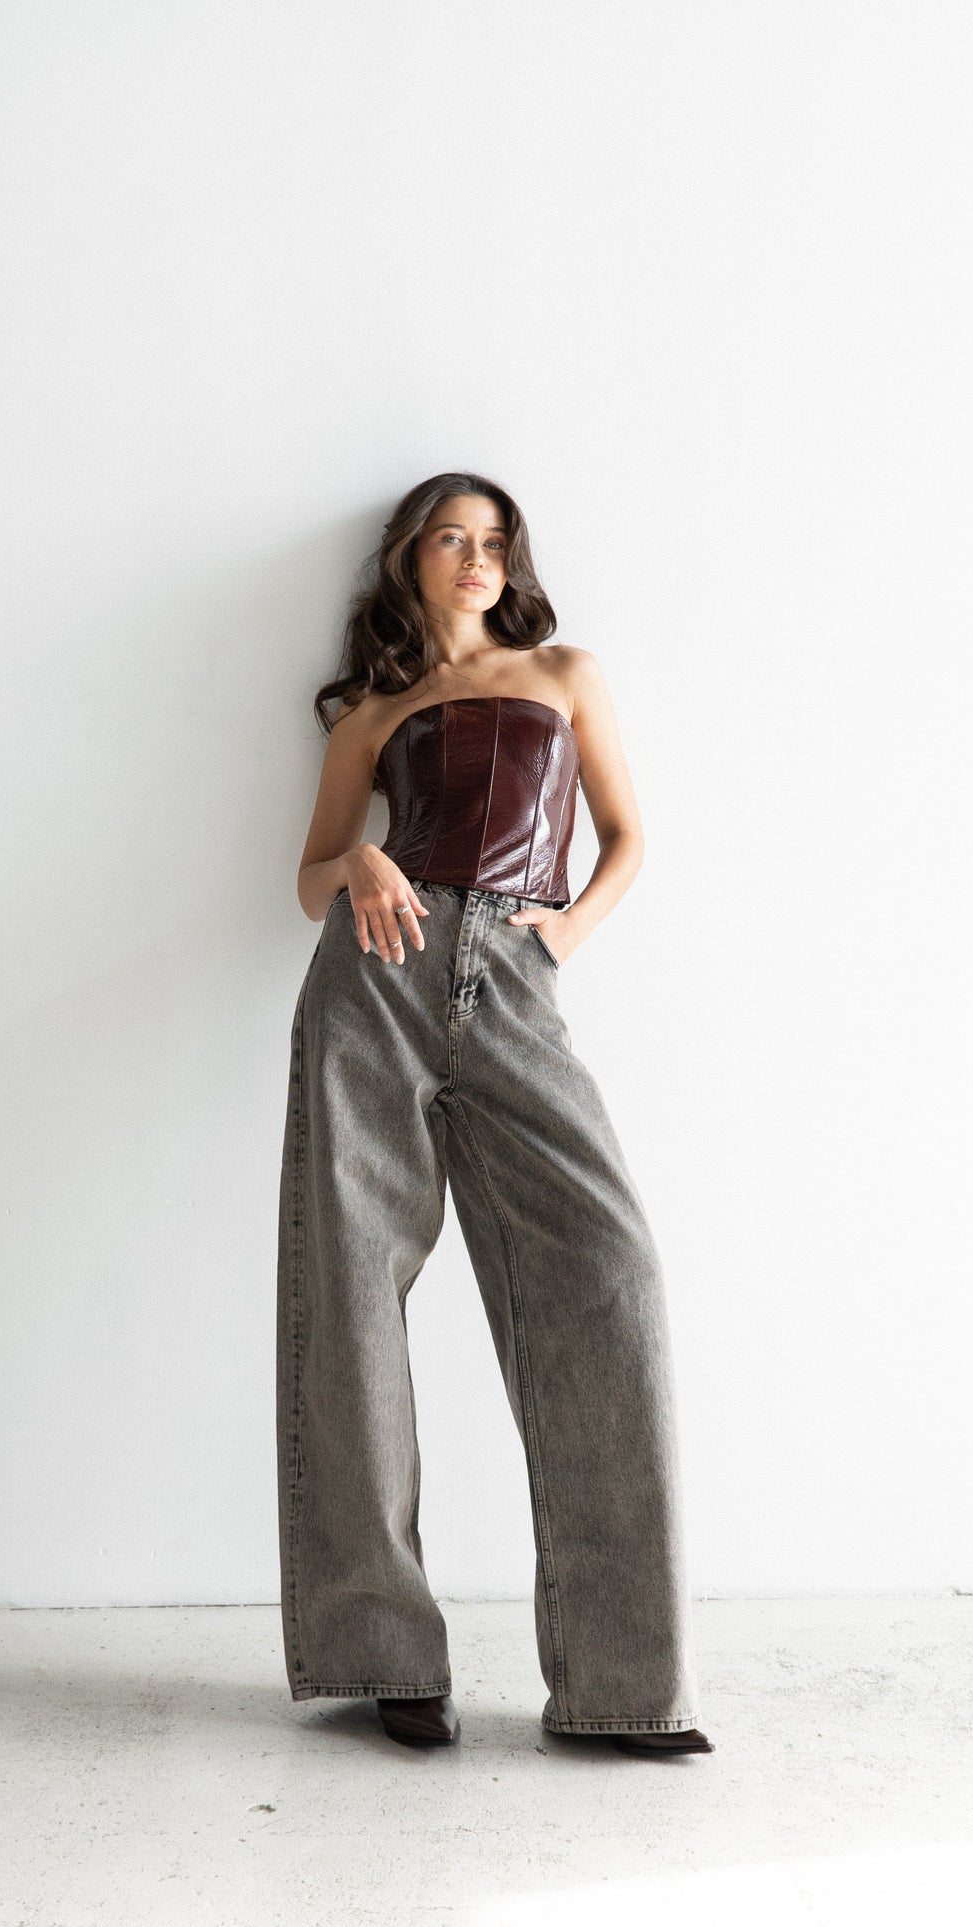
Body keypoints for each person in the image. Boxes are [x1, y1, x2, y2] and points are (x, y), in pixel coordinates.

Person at [275, 471, 713, 1759]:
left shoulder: (566, 673)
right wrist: (356, 856)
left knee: (611, 1272)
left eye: (495, 540)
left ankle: (623, 1683)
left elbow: (626, 837)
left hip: (515, 980)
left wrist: (560, 938)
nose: (477, 559)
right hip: (374, 985)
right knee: (350, 1296)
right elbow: (311, 877)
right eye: (452, 540)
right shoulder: (376, 709)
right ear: (411, 561)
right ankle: (380, 1654)